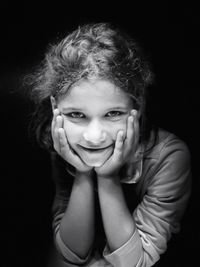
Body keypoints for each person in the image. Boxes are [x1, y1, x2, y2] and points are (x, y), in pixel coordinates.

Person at [27, 23, 192, 267]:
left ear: (137, 108)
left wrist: (107, 178)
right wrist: (82, 174)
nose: (94, 137)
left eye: (113, 113)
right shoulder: (65, 145)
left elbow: (135, 262)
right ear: (55, 109)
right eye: (76, 115)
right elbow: (73, 253)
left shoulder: (169, 157)